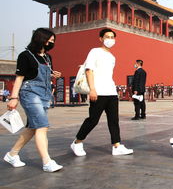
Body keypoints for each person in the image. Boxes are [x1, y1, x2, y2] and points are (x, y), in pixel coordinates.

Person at [3, 28, 63, 172]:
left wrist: (54, 75)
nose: (51, 43)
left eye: (53, 41)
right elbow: (20, 78)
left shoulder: (48, 58)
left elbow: (45, 76)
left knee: (32, 128)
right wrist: (13, 98)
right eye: (50, 40)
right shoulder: (25, 55)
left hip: (44, 94)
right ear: (40, 39)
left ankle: (12, 154)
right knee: (42, 126)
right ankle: (47, 161)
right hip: (30, 93)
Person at [70, 28, 134, 157]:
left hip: (111, 92)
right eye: (107, 37)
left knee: (113, 120)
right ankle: (77, 142)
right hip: (98, 92)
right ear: (101, 39)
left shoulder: (112, 57)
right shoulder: (95, 52)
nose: (110, 39)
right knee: (93, 120)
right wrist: (92, 89)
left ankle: (116, 146)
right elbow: (89, 70)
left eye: (112, 37)